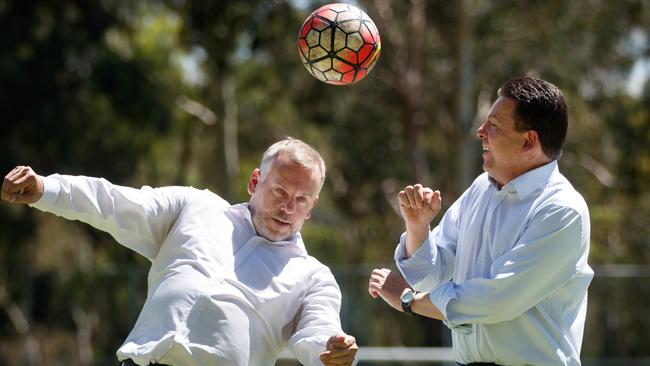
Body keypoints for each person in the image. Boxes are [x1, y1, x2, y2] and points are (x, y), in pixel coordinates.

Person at [2, 138, 358, 366]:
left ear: (312, 207)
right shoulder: (196, 205)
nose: (287, 208)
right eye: (280, 191)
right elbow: (113, 202)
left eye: (301, 200)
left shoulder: (314, 276)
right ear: (255, 182)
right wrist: (46, 189)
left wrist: (333, 348)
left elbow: (319, 332)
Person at [368, 77, 593, 366]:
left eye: (494, 126)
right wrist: (417, 227)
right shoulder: (480, 189)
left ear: (529, 141)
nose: (480, 132)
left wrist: (409, 301)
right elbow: (430, 276)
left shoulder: (562, 210)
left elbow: (497, 300)